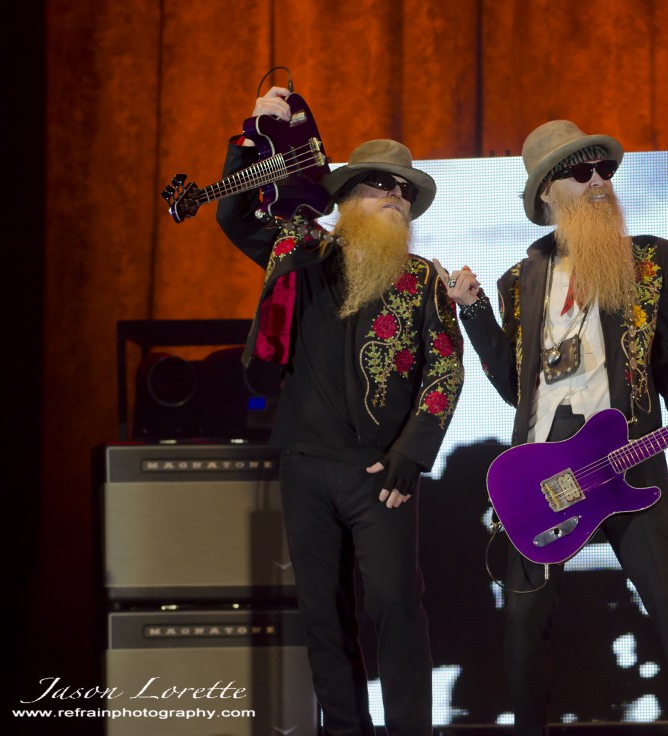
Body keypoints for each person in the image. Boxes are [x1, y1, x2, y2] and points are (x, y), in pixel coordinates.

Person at [434, 119, 668, 735]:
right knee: (523, 619)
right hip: (542, 466)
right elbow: (514, 385)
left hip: (627, 456)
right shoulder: (521, 280)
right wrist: (474, 312)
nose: (599, 181)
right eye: (581, 172)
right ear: (548, 191)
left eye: (604, 170)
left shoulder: (652, 260)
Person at [215, 87, 465, 736]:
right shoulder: (301, 254)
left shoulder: (421, 280)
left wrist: (412, 456)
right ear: (347, 196)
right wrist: (256, 134)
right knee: (324, 618)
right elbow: (235, 215)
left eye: (405, 190)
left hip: (379, 475)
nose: (395, 197)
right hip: (303, 465)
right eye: (381, 185)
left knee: (397, 610)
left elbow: (445, 370)